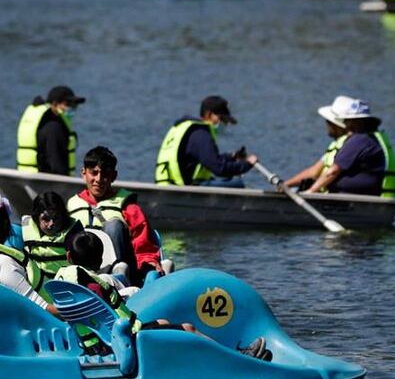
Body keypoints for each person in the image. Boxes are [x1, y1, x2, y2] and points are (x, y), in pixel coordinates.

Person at [54, 231, 271, 360]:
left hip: (88, 342)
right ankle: (237, 358)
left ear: (69, 256)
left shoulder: (61, 281)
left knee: (164, 322)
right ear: (101, 259)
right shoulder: (95, 285)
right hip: (118, 342)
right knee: (188, 328)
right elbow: (121, 320)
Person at [68, 146, 161, 285]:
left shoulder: (128, 206)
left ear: (114, 176)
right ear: (84, 173)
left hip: (121, 272)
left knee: (113, 225)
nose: (99, 179)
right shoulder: (72, 204)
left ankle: (119, 278)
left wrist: (149, 261)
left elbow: (143, 241)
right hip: (81, 271)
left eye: (105, 174)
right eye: (94, 173)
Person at [304, 97, 395, 198]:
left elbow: (332, 172)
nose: (344, 124)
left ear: (353, 122)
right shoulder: (372, 138)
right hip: (370, 199)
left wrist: (310, 192)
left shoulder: (359, 140)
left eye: (346, 121)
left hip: (353, 201)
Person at [155, 95, 257, 187]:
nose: (224, 123)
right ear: (209, 114)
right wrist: (247, 164)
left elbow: (208, 159)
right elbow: (219, 169)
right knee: (238, 184)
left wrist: (232, 157)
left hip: (169, 185)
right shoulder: (201, 134)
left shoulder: (189, 130)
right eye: (221, 118)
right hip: (187, 187)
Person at [280, 98, 351, 191]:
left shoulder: (349, 144)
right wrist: (286, 184)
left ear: (335, 125)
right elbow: (314, 172)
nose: (326, 125)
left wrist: (311, 191)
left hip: (335, 195)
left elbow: (332, 172)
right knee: (293, 190)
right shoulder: (336, 144)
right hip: (325, 192)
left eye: (328, 121)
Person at [16, 85, 85, 175]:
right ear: (55, 104)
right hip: (48, 181)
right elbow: (57, 164)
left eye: (74, 105)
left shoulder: (43, 123)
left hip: (30, 178)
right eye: (68, 104)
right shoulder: (55, 128)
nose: (72, 108)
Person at [23, 191, 86, 278]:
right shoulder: (25, 228)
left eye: (56, 218)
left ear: (63, 216)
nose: (51, 223)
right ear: (36, 218)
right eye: (45, 219)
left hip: (64, 282)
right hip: (34, 283)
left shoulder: (73, 232)